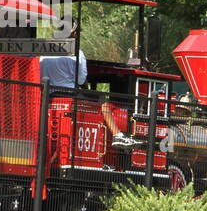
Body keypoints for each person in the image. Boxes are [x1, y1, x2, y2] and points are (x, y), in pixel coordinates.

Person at [39, 20, 140, 148]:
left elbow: (40, 74)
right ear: (74, 33)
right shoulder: (77, 53)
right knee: (102, 99)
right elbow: (81, 81)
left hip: (49, 96)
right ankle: (117, 135)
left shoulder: (45, 51)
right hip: (69, 95)